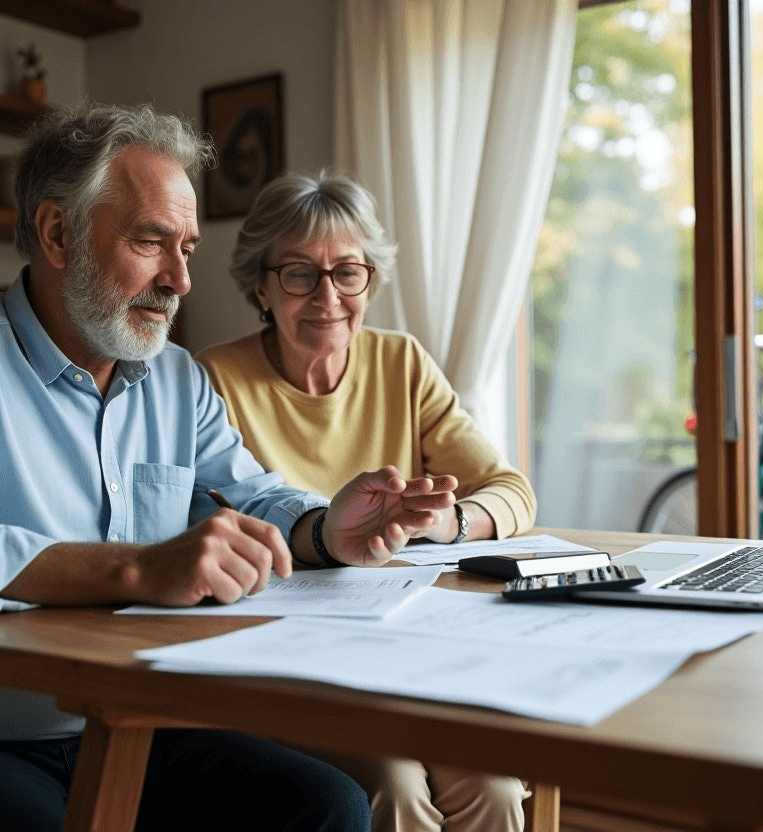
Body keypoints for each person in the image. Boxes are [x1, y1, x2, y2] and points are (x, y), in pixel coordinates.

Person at [0, 103, 459, 832]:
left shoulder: (178, 379)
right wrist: (135, 569)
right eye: (151, 241)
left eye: (186, 248)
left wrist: (324, 528)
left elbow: (252, 493)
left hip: (148, 717)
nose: (181, 280)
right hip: (11, 733)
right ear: (59, 234)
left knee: (329, 806)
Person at [196, 171, 537, 832]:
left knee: (493, 787)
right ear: (262, 287)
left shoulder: (401, 363)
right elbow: (208, 529)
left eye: (347, 273)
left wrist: (450, 522)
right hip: (288, 657)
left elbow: (511, 490)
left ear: (369, 282)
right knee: (394, 785)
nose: (328, 297)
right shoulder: (214, 379)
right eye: (300, 274)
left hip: (412, 646)